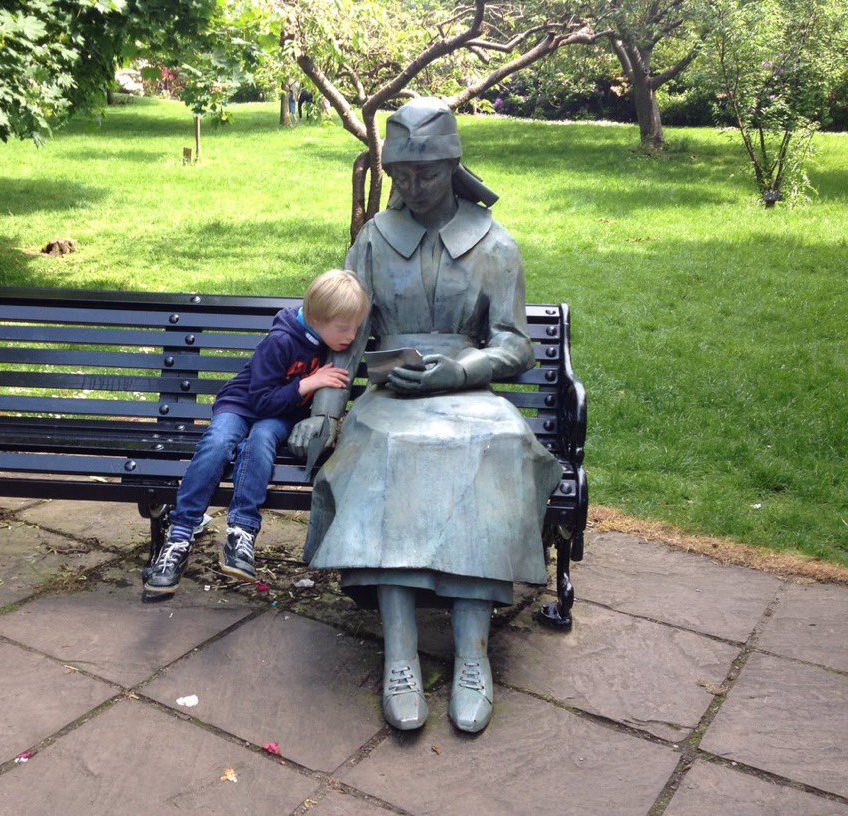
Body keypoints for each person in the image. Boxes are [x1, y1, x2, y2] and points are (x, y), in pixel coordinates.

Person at [289, 97, 563, 734]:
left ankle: (472, 655)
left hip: (470, 397)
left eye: (428, 174)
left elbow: (514, 344)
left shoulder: (494, 244)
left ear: (454, 167)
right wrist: (327, 411)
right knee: (382, 453)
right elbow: (346, 338)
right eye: (402, 175)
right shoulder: (373, 242)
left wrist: (459, 371)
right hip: (390, 401)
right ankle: (401, 653)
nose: (414, 187)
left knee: (497, 448)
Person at [143, 270, 370, 597]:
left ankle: (241, 534)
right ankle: (179, 536)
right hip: (243, 405)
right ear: (317, 319)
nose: (352, 336)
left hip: (279, 415)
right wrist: (308, 383)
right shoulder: (280, 341)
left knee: (261, 441)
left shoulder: (330, 341)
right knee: (218, 443)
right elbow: (260, 400)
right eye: (344, 328)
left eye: (356, 327)